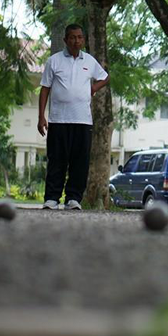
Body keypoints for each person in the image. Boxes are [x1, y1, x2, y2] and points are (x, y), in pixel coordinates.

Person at [38, 24, 109, 210]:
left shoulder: (90, 61)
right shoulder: (54, 61)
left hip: (83, 121)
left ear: (83, 39)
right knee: (57, 160)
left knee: (80, 161)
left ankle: (73, 198)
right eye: (72, 37)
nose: (76, 41)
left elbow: (105, 77)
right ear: (65, 40)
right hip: (58, 120)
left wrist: (93, 88)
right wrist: (41, 117)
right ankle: (52, 198)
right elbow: (45, 89)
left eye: (79, 37)